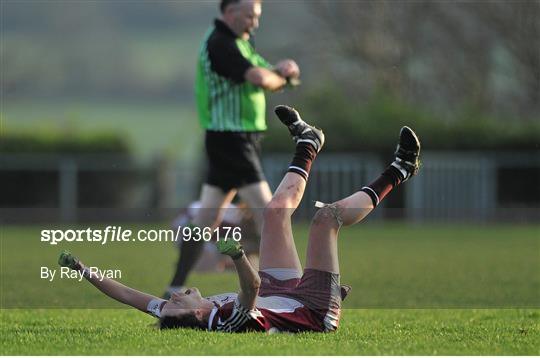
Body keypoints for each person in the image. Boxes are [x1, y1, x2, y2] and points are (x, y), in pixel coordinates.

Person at [59, 105, 421, 333]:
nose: (176, 295)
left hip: (281, 294)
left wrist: (82, 269)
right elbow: (252, 291)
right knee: (326, 219)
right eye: (177, 300)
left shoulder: (179, 314)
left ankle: (308, 142)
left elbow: (126, 294)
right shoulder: (226, 320)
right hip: (312, 311)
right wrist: (236, 256)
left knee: (276, 212)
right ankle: (400, 171)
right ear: (194, 315)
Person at [165, 0, 302, 296]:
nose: (255, 23)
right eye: (250, 16)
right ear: (230, 13)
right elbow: (259, 78)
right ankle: (290, 289)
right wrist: (282, 76)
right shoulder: (221, 43)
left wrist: (282, 71)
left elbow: (267, 74)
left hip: (232, 140)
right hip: (232, 140)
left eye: (258, 16)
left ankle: (173, 287)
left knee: (206, 219)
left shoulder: (240, 43)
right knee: (271, 214)